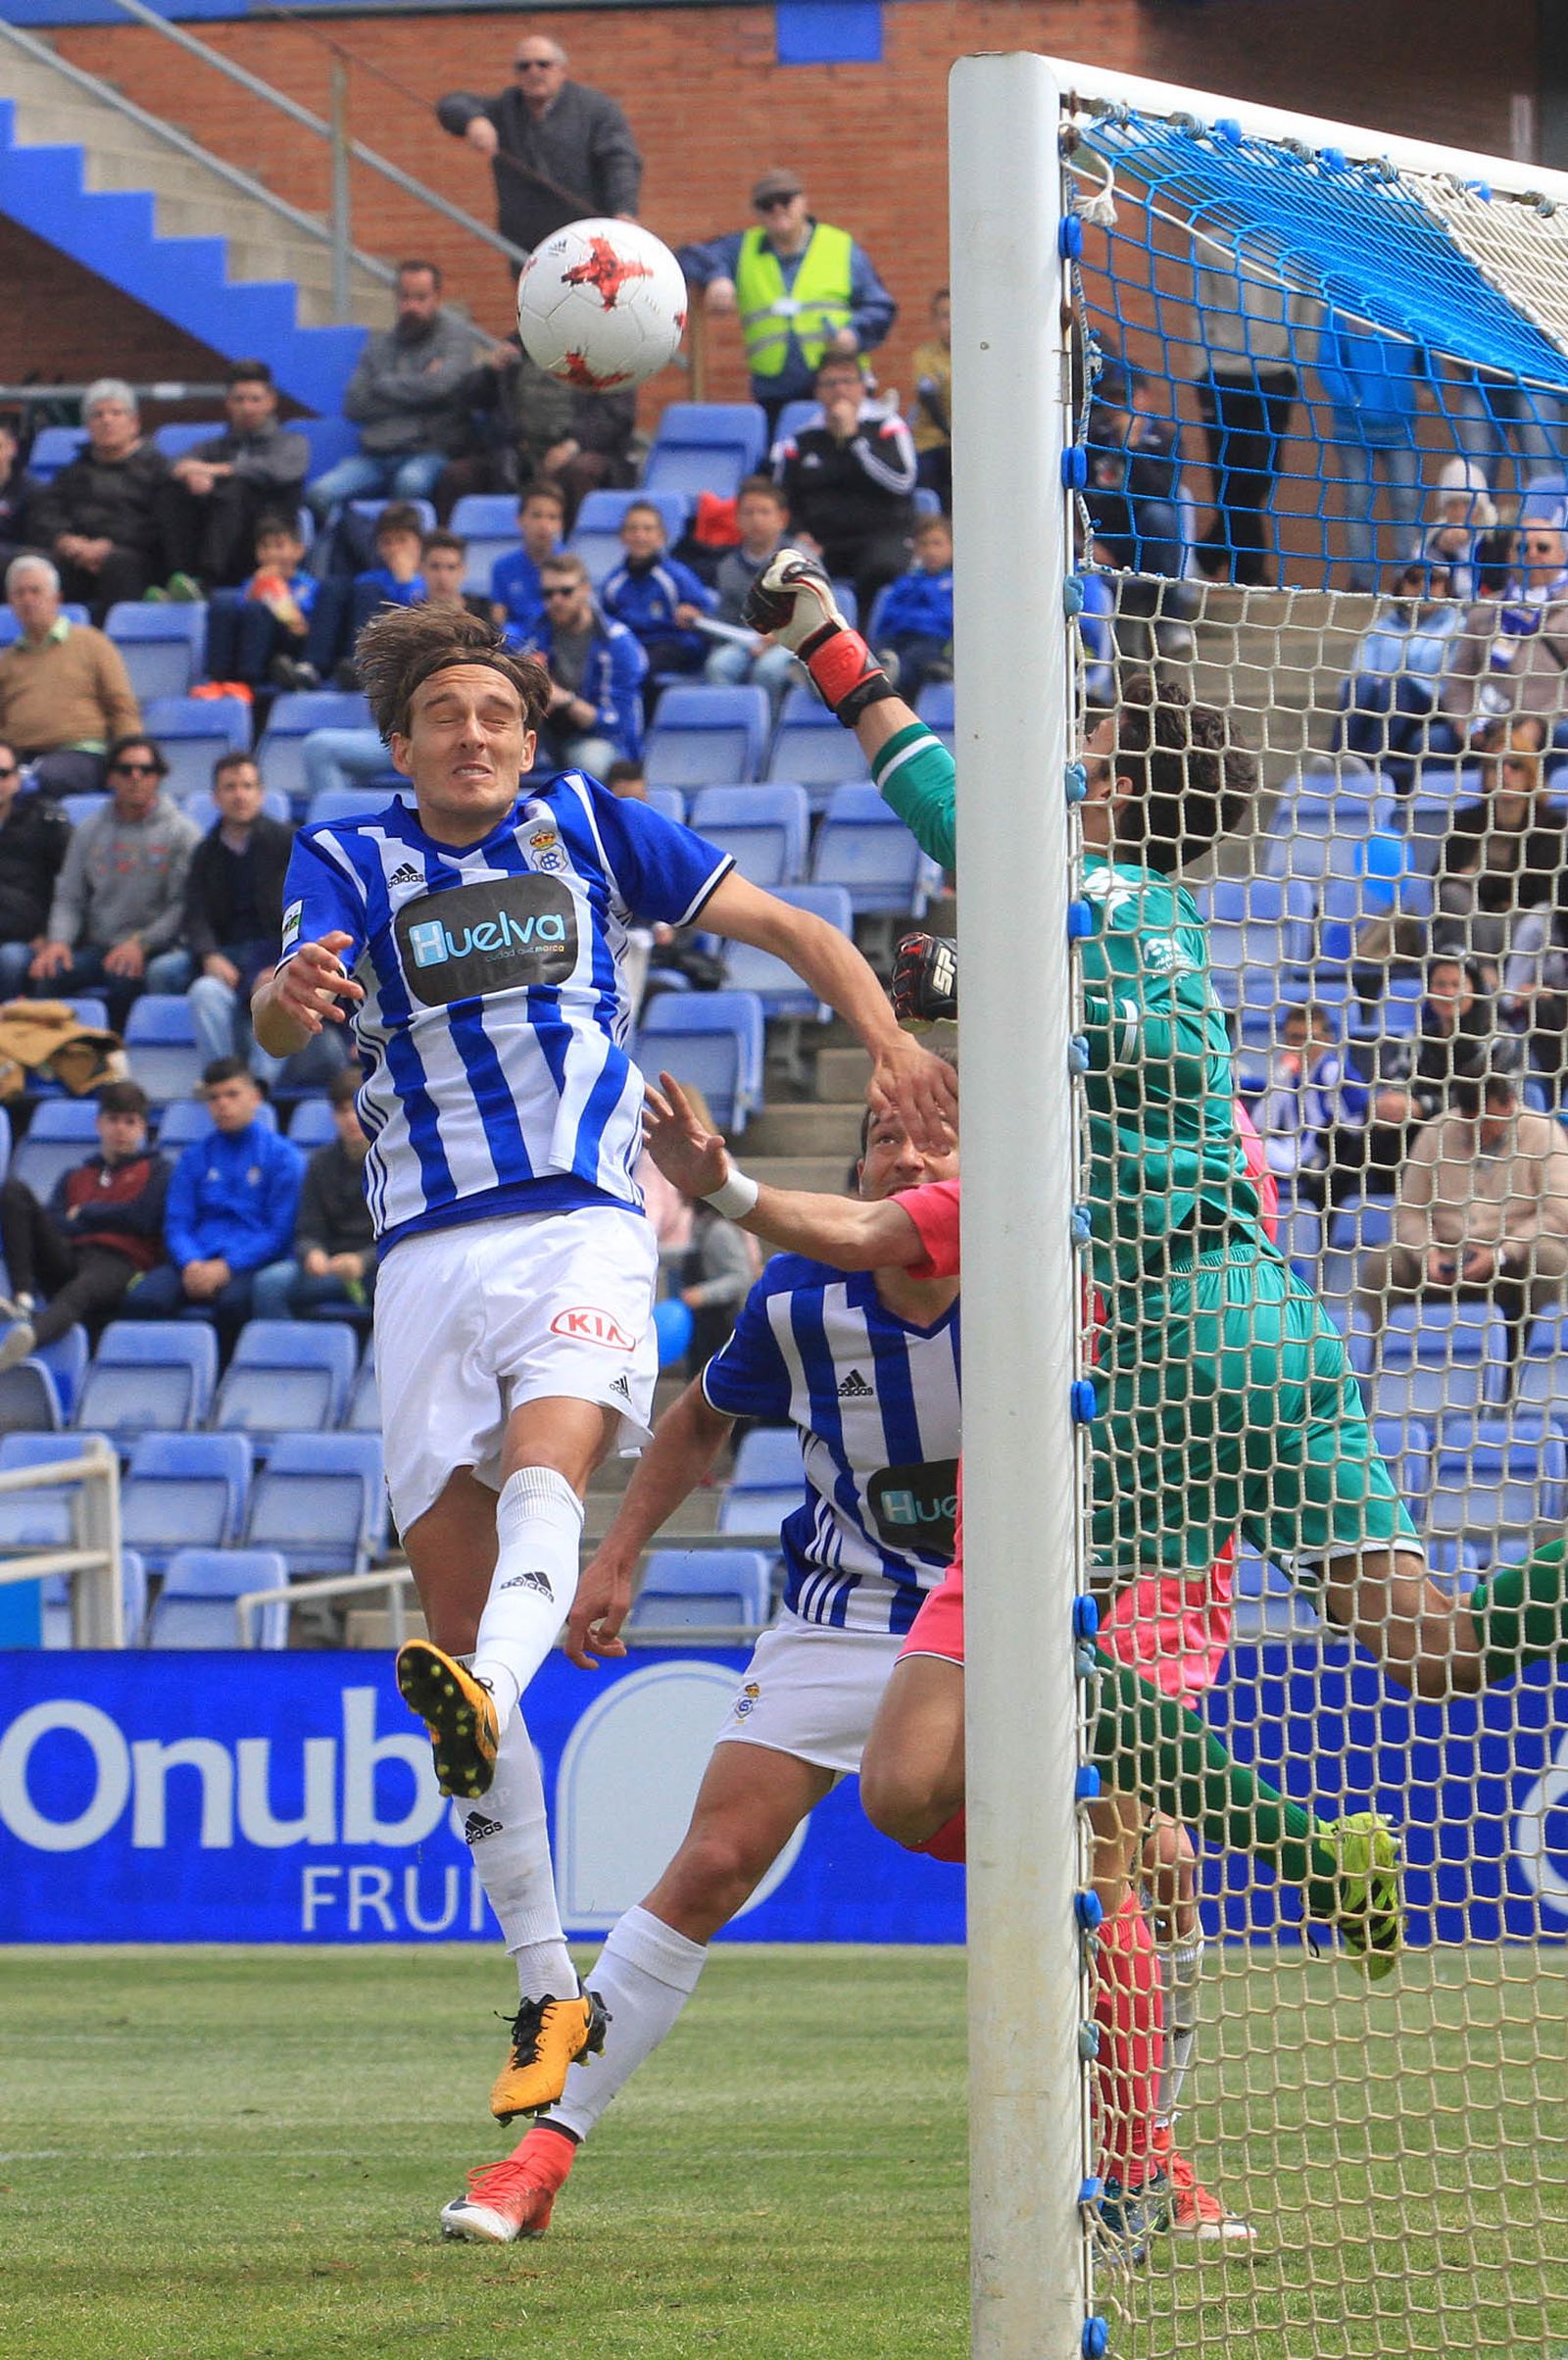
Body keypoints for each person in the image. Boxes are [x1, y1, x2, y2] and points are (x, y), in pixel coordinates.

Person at [249, 601, 957, 2138]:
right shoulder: (348, 860)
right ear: (402, 743)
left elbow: (793, 928)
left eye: (498, 712)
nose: (476, 734)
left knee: (551, 1470)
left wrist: (888, 1037)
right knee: (453, 1603)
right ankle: (544, 1976)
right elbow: (273, 1000)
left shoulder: (590, 824)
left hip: (579, 1222)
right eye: (446, 713)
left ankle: (488, 1688)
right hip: (424, 1253)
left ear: (528, 730)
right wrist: (284, 1000)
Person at [439, 1095, 961, 2244]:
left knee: (1144, 1861)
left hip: (1010, 1615)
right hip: (847, 1606)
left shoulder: (1043, 1281)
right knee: (711, 1861)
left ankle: (1148, 2159)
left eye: (939, 1135)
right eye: (885, 1136)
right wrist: (615, 1555)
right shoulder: (799, 1297)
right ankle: (533, 2156)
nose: (909, 1152)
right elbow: (696, 1418)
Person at [1354, 1054, 1568, 1368]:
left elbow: (1558, 1211)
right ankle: (1369, 1375)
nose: (1478, 1131)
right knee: (1381, 1266)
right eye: (1470, 1121)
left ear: (1508, 1104)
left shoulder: (1542, 1132)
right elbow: (1409, 1210)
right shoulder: (1437, 1133)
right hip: (1444, 1256)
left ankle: (1538, 1370)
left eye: (1487, 1121)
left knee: (1550, 1259)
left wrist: (1501, 1253)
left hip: (1510, 1259)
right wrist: (1427, 1254)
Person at [678, 172, 897, 436]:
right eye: (767, 204)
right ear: (756, 211)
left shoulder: (839, 246)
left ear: (803, 201)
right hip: (776, 393)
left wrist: (855, 333)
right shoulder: (742, 248)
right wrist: (717, 276)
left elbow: (880, 305)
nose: (777, 209)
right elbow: (687, 257)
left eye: (785, 200)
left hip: (838, 387)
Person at [124, 1057, 303, 1352]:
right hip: (195, 1261)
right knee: (143, 1300)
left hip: (250, 1264)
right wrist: (192, 1263)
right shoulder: (193, 1158)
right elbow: (177, 1224)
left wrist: (227, 1266)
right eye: (214, 1097)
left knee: (235, 1305)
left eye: (232, 1094)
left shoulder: (284, 1158)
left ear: (255, 1097)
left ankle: (225, 1384)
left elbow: (279, 1233)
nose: (222, 1104)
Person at [29, 734, 198, 1031]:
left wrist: (141, 943)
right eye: (125, 770)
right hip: (99, 945)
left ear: (158, 778)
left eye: (145, 770)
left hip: (155, 948)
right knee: (48, 971)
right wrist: (59, 942)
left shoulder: (183, 833)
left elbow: (182, 907)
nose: (136, 777)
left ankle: (118, 1057)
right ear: (110, 777)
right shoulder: (88, 830)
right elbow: (70, 897)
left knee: (123, 976)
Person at [0, 1078, 168, 1367]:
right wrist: (108, 1218)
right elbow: (56, 1222)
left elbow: (142, 1219)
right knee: (14, 1191)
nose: (121, 1129)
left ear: (142, 1128)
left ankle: (29, 1338)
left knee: (81, 1289)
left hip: (120, 1262)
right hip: (70, 1256)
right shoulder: (75, 1175)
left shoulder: (158, 1169)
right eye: (113, 1120)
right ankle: (23, 1299)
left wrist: (86, 1213)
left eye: (130, 1122)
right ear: (98, 1124)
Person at [308, 264, 483, 526]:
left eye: (420, 298)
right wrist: (421, 387)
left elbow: (442, 386)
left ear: (437, 298)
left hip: (428, 451)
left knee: (410, 483)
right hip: (376, 454)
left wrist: (382, 385)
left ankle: (406, 562)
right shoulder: (380, 345)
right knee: (320, 493)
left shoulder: (454, 338)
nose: (411, 306)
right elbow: (353, 405)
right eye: (404, 297)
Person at [437, 36, 641, 261]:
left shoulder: (596, 109)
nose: (533, 72)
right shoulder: (505, 108)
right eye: (524, 66)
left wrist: (624, 210)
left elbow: (620, 161)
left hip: (587, 239)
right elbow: (451, 105)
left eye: (543, 64)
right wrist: (473, 120)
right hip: (527, 244)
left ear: (562, 70)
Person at [1193, 246, 1309, 587]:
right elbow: (1201, 313)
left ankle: (1207, 554)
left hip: (1274, 376)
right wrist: (1203, 369)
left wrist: (1294, 367)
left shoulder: (1297, 250)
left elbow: (1309, 312)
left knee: (1261, 472)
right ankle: (1249, 573)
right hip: (1224, 376)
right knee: (1228, 475)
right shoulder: (1209, 243)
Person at [771, 355, 917, 622]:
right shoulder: (801, 439)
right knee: (788, 568)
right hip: (823, 542)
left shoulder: (887, 426)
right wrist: (798, 532)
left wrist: (853, 439)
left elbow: (902, 482)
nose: (839, 389)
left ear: (863, 387)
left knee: (880, 569)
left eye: (848, 381)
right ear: (817, 391)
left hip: (882, 535)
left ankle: (868, 647)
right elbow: (783, 500)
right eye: (830, 383)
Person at [1431, 713, 1568, 983]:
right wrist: (1498, 888)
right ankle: (1486, 974)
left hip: (1521, 925)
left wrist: (1478, 878)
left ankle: (1486, 983)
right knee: (1453, 896)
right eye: (1495, 766)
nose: (1504, 774)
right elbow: (1440, 882)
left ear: (1529, 775)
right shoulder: (1467, 821)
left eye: (1514, 766)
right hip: (1471, 919)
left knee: (1533, 917)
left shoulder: (1551, 826)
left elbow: (1544, 888)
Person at [439, 340, 636, 525]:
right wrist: (489, 371)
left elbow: (614, 417)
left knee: (579, 471)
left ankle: (573, 549)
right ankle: (449, 552)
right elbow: (467, 398)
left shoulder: (605, 353)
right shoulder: (517, 347)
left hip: (582, 451)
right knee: (458, 475)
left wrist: (571, 447)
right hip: (516, 453)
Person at [183, 753, 295, 1075]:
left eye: (247, 786)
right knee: (200, 990)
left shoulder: (288, 842)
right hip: (227, 958)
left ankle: (257, 1087)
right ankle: (225, 1079)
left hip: (276, 955)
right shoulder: (205, 852)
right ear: (215, 798)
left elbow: (307, 911)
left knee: (282, 993)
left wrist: (283, 964)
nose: (239, 795)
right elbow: (195, 912)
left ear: (260, 793)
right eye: (230, 787)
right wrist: (209, 955)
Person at [24, 379, 175, 617]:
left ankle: (105, 650)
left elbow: (161, 525)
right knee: (29, 567)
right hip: (77, 557)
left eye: (116, 413)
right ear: (87, 425)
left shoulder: (159, 469)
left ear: (134, 422)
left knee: (118, 565)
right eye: (98, 415)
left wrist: (108, 546)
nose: (107, 420)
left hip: (135, 559)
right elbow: (45, 514)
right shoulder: (73, 471)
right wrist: (66, 541)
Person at [160, 360, 310, 593]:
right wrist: (192, 475)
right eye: (239, 400)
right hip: (216, 534)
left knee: (235, 487)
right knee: (171, 492)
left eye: (255, 399)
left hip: (265, 534)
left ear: (271, 402)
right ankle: (182, 580)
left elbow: (278, 471)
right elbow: (172, 465)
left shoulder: (291, 442)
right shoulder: (214, 446)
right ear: (228, 403)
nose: (247, 407)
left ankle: (207, 582)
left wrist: (217, 471)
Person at [0, 554, 139, 798]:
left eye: (35, 591)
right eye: (19, 593)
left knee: (39, 778)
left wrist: (129, 759)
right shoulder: (6, 661)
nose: (27, 600)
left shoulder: (92, 643)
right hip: (19, 756)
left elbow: (122, 708)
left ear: (57, 598)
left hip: (81, 754)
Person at [253, 1067, 374, 1323]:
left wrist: (363, 1260)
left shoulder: (396, 1161)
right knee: (269, 1284)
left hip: (378, 1267)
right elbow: (307, 1229)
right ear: (333, 1116)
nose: (352, 1119)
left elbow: (404, 1233)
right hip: (329, 1268)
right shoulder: (320, 1163)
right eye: (342, 1111)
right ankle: (288, 1358)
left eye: (357, 1109)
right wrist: (312, 1252)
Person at [1314, 321, 1425, 594]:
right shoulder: (1339, 306)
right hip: (1352, 427)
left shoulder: (1402, 304)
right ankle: (1361, 580)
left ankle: (1407, 577)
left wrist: (1429, 385)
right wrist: (1353, 399)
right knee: (1357, 500)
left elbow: (1427, 347)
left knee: (1407, 499)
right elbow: (1327, 360)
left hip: (1400, 424)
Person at [1441, 518, 1568, 740]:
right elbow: (1460, 677)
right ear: (1510, 556)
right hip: (1487, 724)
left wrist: (1540, 723)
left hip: (1551, 727)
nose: (1532, 553)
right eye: (1522, 547)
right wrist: (1466, 722)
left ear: (1562, 556)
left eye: (1543, 548)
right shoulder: (1485, 609)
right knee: (1433, 741)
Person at [1332, 557, 1464, 767]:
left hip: (1432, 703)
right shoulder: (1382, 626)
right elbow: (1360, 668)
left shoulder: (1458, 626)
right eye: (1414, 579)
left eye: (1433, 580)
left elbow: (1453, 680)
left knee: (1398, 686)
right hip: (1379, 700)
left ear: (1446, 586)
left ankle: (1366, 765)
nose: (1423, 587)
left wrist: (1395, 682)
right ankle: (1338, 761)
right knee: (1361, 684)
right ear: (1401, 585)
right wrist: (1379, 683)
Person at [523, 552, 647, 772]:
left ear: (586, 590)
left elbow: (617, 724)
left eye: (566, 592)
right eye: (548, 594)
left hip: (603, 741)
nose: (556, 600)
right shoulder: (536, 634)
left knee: (590, 762)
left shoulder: (617, 642)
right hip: (547, 733)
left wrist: (566, 700)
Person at [202, 512, 348, 696]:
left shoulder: (308, 586)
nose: (271, 554)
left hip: (290, 644)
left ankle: (254, 680)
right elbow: (235, 621)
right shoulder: (251, 584)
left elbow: (304, 628)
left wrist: (281, 596)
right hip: (255, 644)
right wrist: (256, 591)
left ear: (298, 550)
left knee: (260, 613)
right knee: (226, 603)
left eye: (279, 546)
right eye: (264, 547)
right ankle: (219, 679)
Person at [701, 474, 797, 703]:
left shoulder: (800, 559)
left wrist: (777, 636)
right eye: (749, 513)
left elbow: (818, 614)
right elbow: (728, 618)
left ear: (782, 518)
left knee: (767, 671)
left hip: (795, 641)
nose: (756, 520)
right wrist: (700, 619)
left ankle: (768, 734)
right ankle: (730, 730)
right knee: (718, 665)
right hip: (748, 641)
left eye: (764, 512)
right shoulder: (728, 567)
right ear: (737, 519)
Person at [599, 499, 716, 682]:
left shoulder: (676, 575)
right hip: (632, 644)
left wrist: (695, 614)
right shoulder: (614, 583)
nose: (640, 536)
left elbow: (705, 613)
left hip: (673, 642)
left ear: (661, 537)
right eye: (633, 529)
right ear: (622, 536)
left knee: (638, 665)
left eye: (647, 529)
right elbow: (606, 623)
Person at [0, 734, 72, 997]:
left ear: (17, 780)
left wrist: (50, 934)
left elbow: (71, 884)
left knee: (9, 961)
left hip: (27, 938)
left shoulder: (45, 823)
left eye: (2, 773)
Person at [871, 513, 953, 708]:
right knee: (880, 650)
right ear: (916, 548)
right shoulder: (905, 583)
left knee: (918, 656)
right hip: (899, 639)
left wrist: (912, 619)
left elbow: (947, 620)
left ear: (952, 546)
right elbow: (887, 618)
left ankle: (888, 679)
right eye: (924, 544)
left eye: (937, 543)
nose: (930, 550)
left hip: (933, 643)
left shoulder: (954, 584)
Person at [491, 484, 566, 648]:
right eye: (537, 515)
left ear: (560, 524)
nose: (544, 524)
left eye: (552, 517)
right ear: (520, 520)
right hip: (517, 647)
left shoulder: (570, 567)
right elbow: (499, 617)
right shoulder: (503, 567)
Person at [348, 502, 427, 641]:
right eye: (387, 542)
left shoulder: (431, 578)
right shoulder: (367, 581)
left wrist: (405, 582)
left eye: (402, 540)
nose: (394, 549)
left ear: (419, 542)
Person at [909, 287, 952, 510]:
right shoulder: (925, 356)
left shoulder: (982, 354)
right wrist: (952, 434)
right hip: (934, 442)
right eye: (945, 316)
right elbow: (929, 396)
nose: (952, 322)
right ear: (935, 322)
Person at [420, 530, 492, 621]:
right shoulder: (410, 619)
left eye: (451, 567)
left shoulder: (483, 612)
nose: (443, 576)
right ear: (421, 568)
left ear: (463, 570)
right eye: (435, 567)